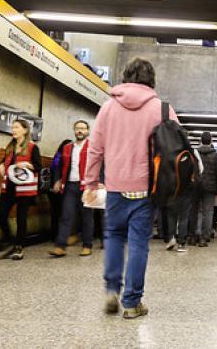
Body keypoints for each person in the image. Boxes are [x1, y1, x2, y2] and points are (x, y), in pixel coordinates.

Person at [83, 57, 178, 319]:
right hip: (147, 189)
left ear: (126, 76)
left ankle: (112, 290)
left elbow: (95, 149)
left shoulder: (108, 108)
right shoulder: (162, 109)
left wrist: (90, 181)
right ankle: (132, 302)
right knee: (138, 243)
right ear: (151, 80)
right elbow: (176, 149)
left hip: (114, 187)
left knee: (113, 236)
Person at [0, 118, 41, 261]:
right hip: (8, 186)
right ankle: (10, 241)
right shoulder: (10, 146)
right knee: (1, 216)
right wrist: (2, 165)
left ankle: (18, 247)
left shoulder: (32, 147)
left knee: (21, 219)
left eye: (16, 127)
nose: (13, 130)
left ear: (25, 130)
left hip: (24, 189)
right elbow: (5, 161)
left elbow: (38, 166)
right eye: (13, 127)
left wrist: (27, 165)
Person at [49, 120, 94, 257]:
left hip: (87, 185)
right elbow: (58, 165)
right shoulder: (67, 148)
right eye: (77, 128)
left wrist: (100, 182)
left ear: (87, 131)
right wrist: (57, 180)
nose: (80, 131)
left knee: (87, 216)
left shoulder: (94, 147)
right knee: (66, 215)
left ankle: (87, 245)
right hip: (70, 185)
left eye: (83, 128)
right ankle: (60, 246)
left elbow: (102, 165)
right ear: (74, 130)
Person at [189, 132, 217, 248]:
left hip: (195, 187)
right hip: (210, 188)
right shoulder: (216, 155)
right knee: (208, 212)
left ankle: (194, 236)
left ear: (200, 140)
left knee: (195, 211)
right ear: (211, 141)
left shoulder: (194, 153)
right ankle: (204, 238)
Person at [48, 139, 72, 242]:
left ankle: (55, 235)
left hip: (54, 189)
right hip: (62, 189)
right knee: (63, 213)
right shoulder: (66, 159)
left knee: (55, 213)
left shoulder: (56, 158)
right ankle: (61, 236)